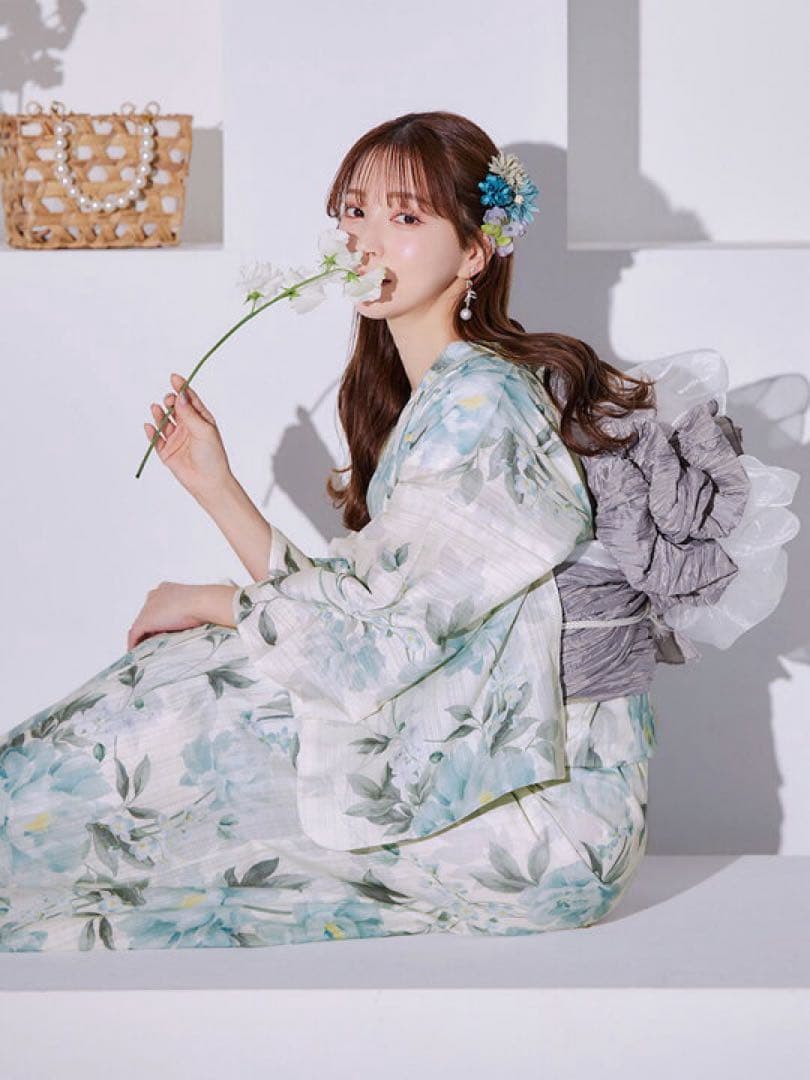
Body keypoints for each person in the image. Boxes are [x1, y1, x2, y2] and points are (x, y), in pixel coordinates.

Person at [0, 111, 799, 952]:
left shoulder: (482, 400)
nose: (365, 239)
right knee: (174, 709)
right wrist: (214, 484)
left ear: (476, 252)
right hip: (502, 780)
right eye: (354, 211)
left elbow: (376, 634)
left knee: (176, 710)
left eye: (406, 216)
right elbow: (373, 617)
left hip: (540, 816)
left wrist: (213, 601)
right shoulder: (443, 393)